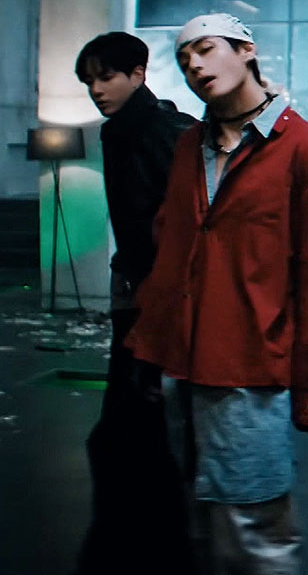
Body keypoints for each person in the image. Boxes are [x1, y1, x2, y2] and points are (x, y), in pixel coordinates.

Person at [125, 13, 308, 574]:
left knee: (255, 527)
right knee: (199, 523)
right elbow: (172, 245)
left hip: (250, 368)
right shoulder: (190, 147)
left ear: (246, 50)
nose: (194, 65)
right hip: (181, 362)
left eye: (206, 49)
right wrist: (150, 343)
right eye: (184, 58)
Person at [73, 32, 196, 574]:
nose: (97, 90)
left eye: (106, 77)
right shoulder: (122, 129)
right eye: (90, 81)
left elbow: (186, 219)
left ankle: (153, 543)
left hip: (161, 295)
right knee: (129, 427)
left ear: (139, 74)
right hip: (138, 289)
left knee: (137, 425)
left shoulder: (163, 129)